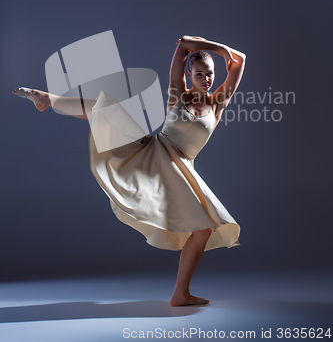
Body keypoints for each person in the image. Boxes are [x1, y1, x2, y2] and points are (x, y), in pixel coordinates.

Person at [13, 35, 246, 307]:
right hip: (152, 154)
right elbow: (183, 44)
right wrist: (210, 48)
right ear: (189, 75)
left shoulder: (218, 102)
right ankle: (47, 99)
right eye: (199, 74)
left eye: (210, 74)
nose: (206, 79)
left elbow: (241, 60)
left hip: (181, 167)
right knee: (107, 108)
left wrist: (223, 51)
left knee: (203, 230)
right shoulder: (177, 94)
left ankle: (180, 294)